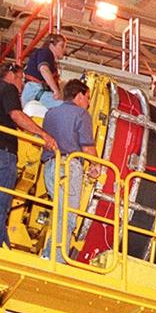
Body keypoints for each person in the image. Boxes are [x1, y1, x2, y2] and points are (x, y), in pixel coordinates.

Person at [0, 63, 57, 247]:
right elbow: (16, 115)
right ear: (11, 75)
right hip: (2, 153)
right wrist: (43, 134)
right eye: (21, 80)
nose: (21, 86)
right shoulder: (8, 88)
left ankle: (3, 246)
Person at [42, 78, 97, 263]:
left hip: (49, 167)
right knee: (68, 217)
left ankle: (49, 254)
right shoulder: (81, 115)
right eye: (88, 98)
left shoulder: (50, 113)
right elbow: (88, 147)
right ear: (79, 95)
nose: (88, 103)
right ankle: (57, 260)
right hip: (69, 167)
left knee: (59, 213)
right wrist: (97, 167)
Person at [22, 34, 66, 110]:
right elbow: (43, 69)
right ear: (51, 45)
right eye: (62, 46)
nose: (64, 50)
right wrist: (55, 90)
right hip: (36, 90)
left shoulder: (50, 62)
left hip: (34, 92)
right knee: (66, 109)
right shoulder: (45, 52)